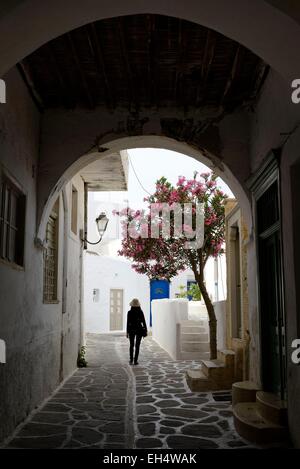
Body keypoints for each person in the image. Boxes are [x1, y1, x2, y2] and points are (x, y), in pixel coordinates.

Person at [126, 298, 147, 365]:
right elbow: (143, 322)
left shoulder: (129, 312)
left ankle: (131, 360)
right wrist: (145, 330)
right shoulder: (140, 312)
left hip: (131, 330)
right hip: (139, 330)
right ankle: (135, 360)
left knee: (131, 345)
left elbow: (128, 323)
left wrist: (127, 332)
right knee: (137, 346)